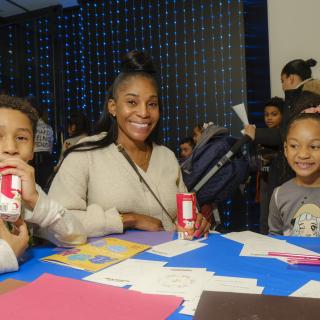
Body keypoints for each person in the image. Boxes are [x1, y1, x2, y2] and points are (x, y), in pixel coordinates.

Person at [49, 50, 211, 238]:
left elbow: (181, 218)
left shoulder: (166, 156)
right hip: (110, 265)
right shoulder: (85, 154)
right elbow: (54, 222)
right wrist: (128, 219)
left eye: (152, 104)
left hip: (169, 264)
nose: (144, 112)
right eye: (132, 102)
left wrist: (196, 221)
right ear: (113, 107)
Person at [0, 94, 86, 274]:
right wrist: (9, 253)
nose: (10, 148)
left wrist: (36, 201)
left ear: (32, 150)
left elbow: (77, 236)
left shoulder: (28, 192)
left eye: (21, 138)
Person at [268, 112, 320, 236]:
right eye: (294, 146)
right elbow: (274, 238)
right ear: (286, 149)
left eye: (314, 146)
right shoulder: (278, 194)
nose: (303, 154)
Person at [255, 97, 285, 234]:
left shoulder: (284, 135)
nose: (269, 118)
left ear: (283, 116)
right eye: (266, 114)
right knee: (264, 217)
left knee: (277, 219)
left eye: (274, 114)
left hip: (279, 183)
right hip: (265, 181)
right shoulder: (261, 136)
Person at [26, 96, 55, 190]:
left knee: (32, 187)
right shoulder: (49, 127)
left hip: (33, 158)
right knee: (45, 187)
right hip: (46, 158)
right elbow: (50, 147)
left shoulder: (30, 126)